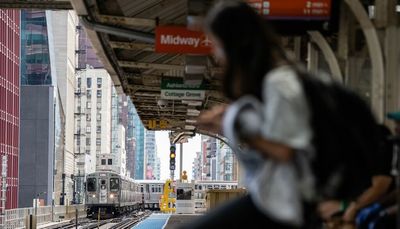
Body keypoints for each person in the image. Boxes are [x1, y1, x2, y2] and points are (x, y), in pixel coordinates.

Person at [187, 1, 315, 228]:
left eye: (218, 45)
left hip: (286, 204)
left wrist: (233, 128)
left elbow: (285, 151)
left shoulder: (279, 83)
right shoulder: (266, 84)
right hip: (271, 198)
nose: (217, 55)